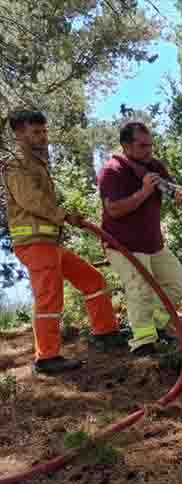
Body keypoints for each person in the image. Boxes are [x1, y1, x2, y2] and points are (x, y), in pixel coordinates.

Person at [2, 110, 127, 375]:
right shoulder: (16, 164)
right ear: (19, 134)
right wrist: (64, 216)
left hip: (50, 242)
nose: (43, 136)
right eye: (36, 132)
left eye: (44, 131)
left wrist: (64, 219)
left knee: (93, 280)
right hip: (34, 243)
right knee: (49, 298)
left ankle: (105, 333)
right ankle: (46, 358)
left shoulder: (36, 162)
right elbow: (31, 201)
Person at [97, 121, 182, 356]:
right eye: (142, 146)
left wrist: (180, 193)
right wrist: (144, 192)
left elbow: (171, 188)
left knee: (176, 281)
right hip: (123, 244)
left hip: (152, 243)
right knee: (139, 288)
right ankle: (143, 344)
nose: (148, 151)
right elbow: (114, 210)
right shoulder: (112, 171)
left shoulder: (154, 166)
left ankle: (156, 327)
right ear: (126, 146)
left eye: (150, 145)